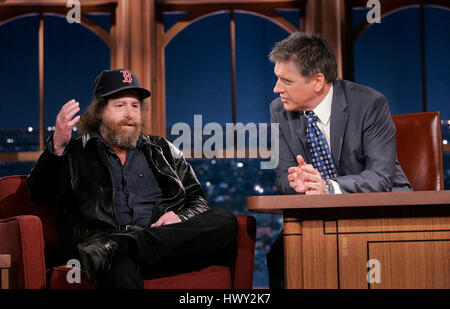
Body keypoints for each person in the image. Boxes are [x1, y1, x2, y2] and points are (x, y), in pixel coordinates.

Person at [28, 69, 238, 289]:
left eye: (135, 106)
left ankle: (122, 245)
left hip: (163, 245)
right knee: (114, 264)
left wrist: (180, 217)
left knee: (225, 221)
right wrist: (57, 147)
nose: (130, 113)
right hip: (108, 253)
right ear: (99, 111)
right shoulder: (75, 153)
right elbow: (41, 195)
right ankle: (118, 248)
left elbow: (198, 200)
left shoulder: (163, 150)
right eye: (120, 106)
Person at [266, 32, 411, 288]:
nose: (277, 89)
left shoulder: (369, 104)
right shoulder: (279, 110)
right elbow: (281, 180)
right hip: (319, 217)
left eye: (286, 80)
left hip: (377, 210)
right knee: (279, 256)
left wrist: (328, 187)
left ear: (317, 81)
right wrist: (298, 183)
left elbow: (381, 177)